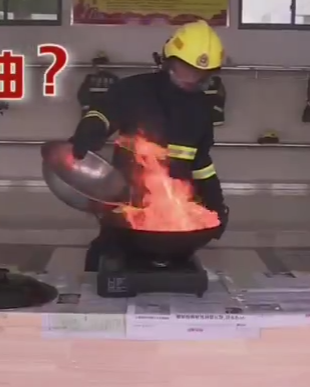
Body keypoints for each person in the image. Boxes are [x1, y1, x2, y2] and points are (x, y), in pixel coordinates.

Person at [70, 20, 230, 271]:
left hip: (173, 212)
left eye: (202, 73)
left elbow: (201, 162)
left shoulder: (201, 108)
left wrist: (215, 202)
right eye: (186, 68)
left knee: (173, 260)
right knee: (105, 258)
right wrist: (92, 127)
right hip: (126, 206)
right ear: (168, 60)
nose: (193, 78)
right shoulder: (134, 90)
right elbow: (103, 113)